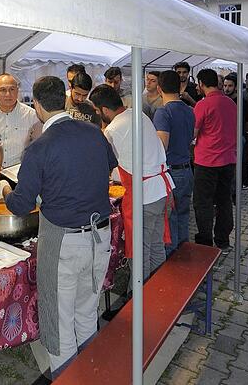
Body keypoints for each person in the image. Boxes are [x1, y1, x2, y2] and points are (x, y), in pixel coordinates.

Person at [1, 76, 114, 377]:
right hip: (100, 233)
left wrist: (5, 191)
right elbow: (107, 168)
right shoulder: (95, 133)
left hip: (63, 240)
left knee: (59, 319)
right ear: (64, 100)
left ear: (36, 105)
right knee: (87, 312)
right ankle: (91, 375)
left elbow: (21, 205)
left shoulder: (40, 147)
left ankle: (66, 376)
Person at [89, 84, 172, 277]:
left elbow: (105, 166)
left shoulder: (113, 129)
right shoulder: (139, 114)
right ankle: (158, 288)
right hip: (161, 190)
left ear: (104, 110)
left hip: (144, 196)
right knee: (156, 246)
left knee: (141, 252)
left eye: (96, 110)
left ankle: (142, 298)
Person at [192, 69, 237, 251]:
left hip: (207, 161)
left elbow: (193, 133)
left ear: (202, 83)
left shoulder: (203, 105)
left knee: (203, 203)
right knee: (224, 200)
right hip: (228, 159)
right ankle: (223, 240)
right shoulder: (230, 103)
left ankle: (205, 242)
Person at [152, 70, 195, 255]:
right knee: (183, 216)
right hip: (187, 169)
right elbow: (192, 137)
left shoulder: (163, 112)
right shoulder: (189, 110)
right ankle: (184, 255)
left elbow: (161, 145)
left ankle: (173, 263)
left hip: (171, 172)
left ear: (159, 88)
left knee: (170, 220)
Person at [0, 74, 42, 168]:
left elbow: (38, 147)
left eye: (12, 89)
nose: (8, 94)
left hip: (20, 173)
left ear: (18, 90)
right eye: (3, 90)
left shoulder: (32, 115)